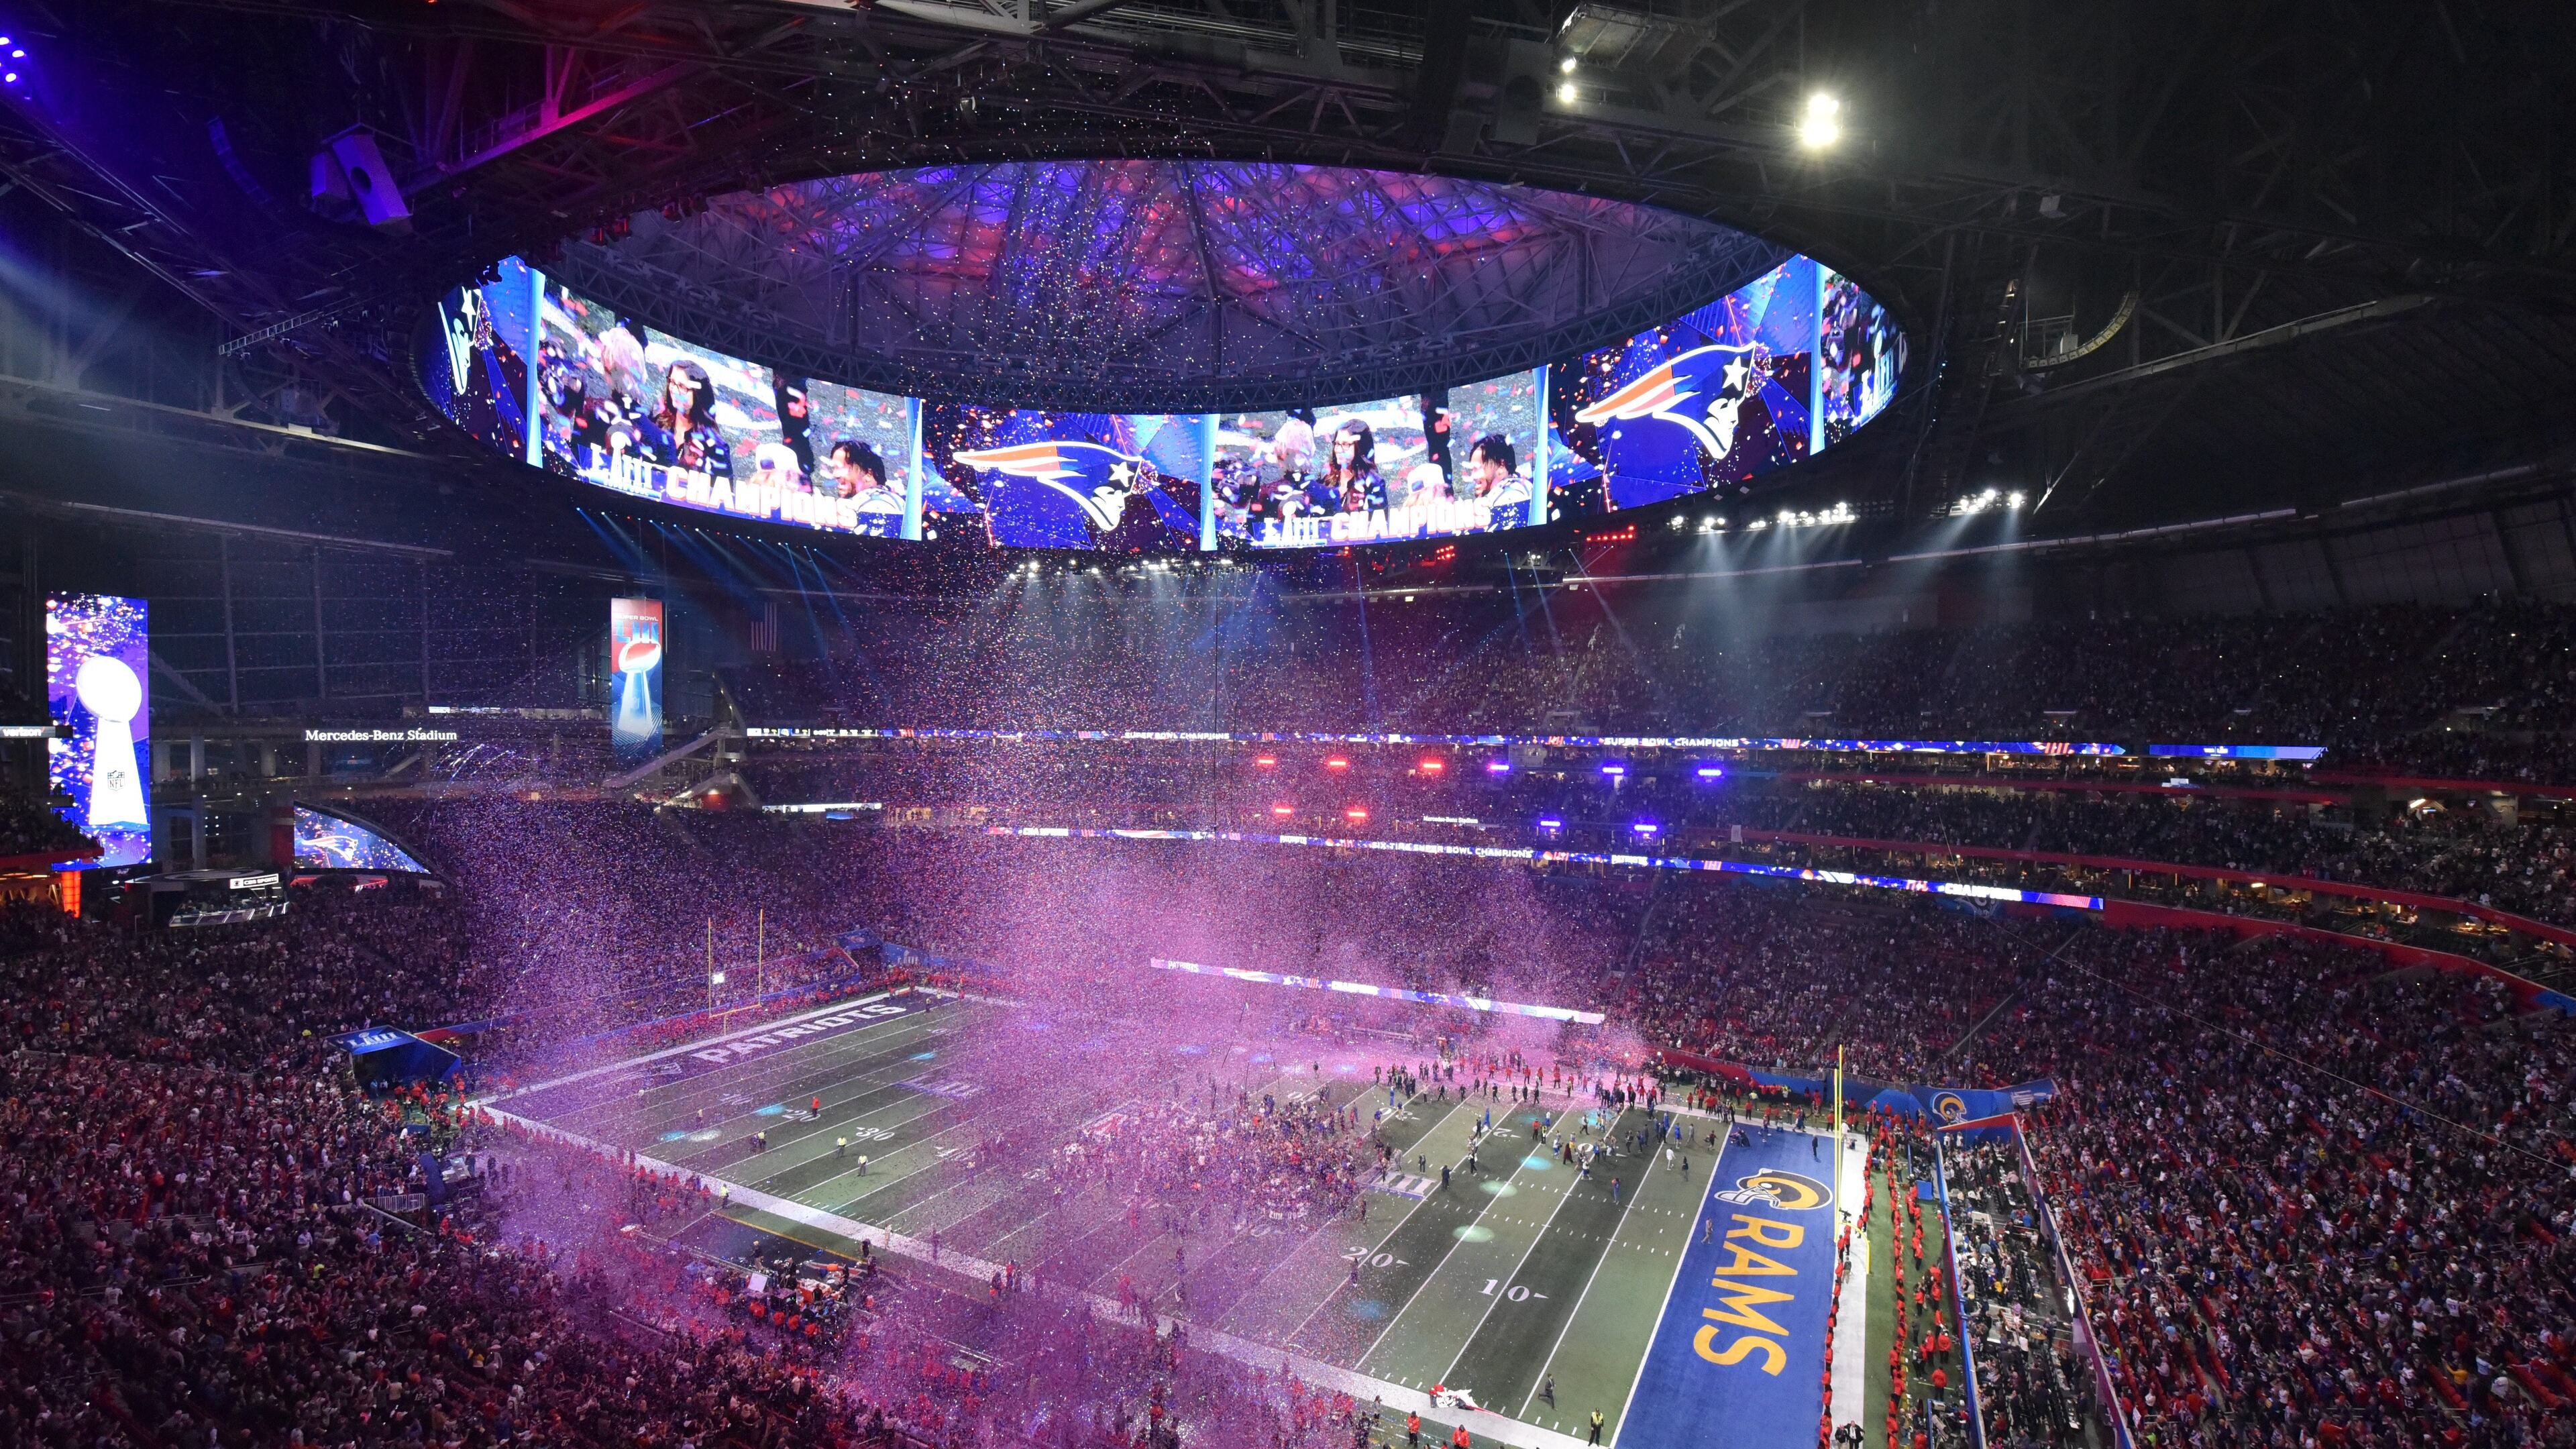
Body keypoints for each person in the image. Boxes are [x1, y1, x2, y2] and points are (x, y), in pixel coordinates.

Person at [647, 358, 733, 478]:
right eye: (672, 382)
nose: (674, 391)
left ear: (698, 394)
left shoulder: (715, 447)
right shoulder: (657, 419)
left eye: (682, 387)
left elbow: (725, 492)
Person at [1465, 434, 1533, 529]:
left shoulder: (1510, 497)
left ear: (1501, 466)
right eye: (1472, 470)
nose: (1473, 476)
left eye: (1477, 469)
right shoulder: (1515, 488)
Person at [1324, 419, 1387, 515]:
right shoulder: (1327, 477)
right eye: (1337, 444)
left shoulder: (1374, 484)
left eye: (1345, 444)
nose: (1338, 450)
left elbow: (1381, 524)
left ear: (1360, 447)